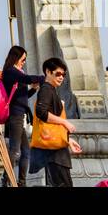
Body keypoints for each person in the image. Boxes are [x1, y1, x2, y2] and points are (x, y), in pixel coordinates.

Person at [33, 57, 81, 188]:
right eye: (58, 74)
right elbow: (41, 112)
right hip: (54, 153)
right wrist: (65, 123)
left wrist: (68, 141)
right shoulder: (46, 89)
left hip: (56, 150)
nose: (61, 77)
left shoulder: (51, 89)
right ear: (48, 72)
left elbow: (52, 124)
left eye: (63, 75)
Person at [0, 45, 43, 188]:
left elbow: (22, 97)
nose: (24, 62)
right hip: (15, 116)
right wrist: (44, 78)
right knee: (15, 150)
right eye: (23, 59)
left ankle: (21, 182)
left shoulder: (14, 72)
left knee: (25, 150)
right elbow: (27, 78)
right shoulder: (11, 71)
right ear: (16, 57)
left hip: (19, 115)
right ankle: (6, 179)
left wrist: (33, 90)